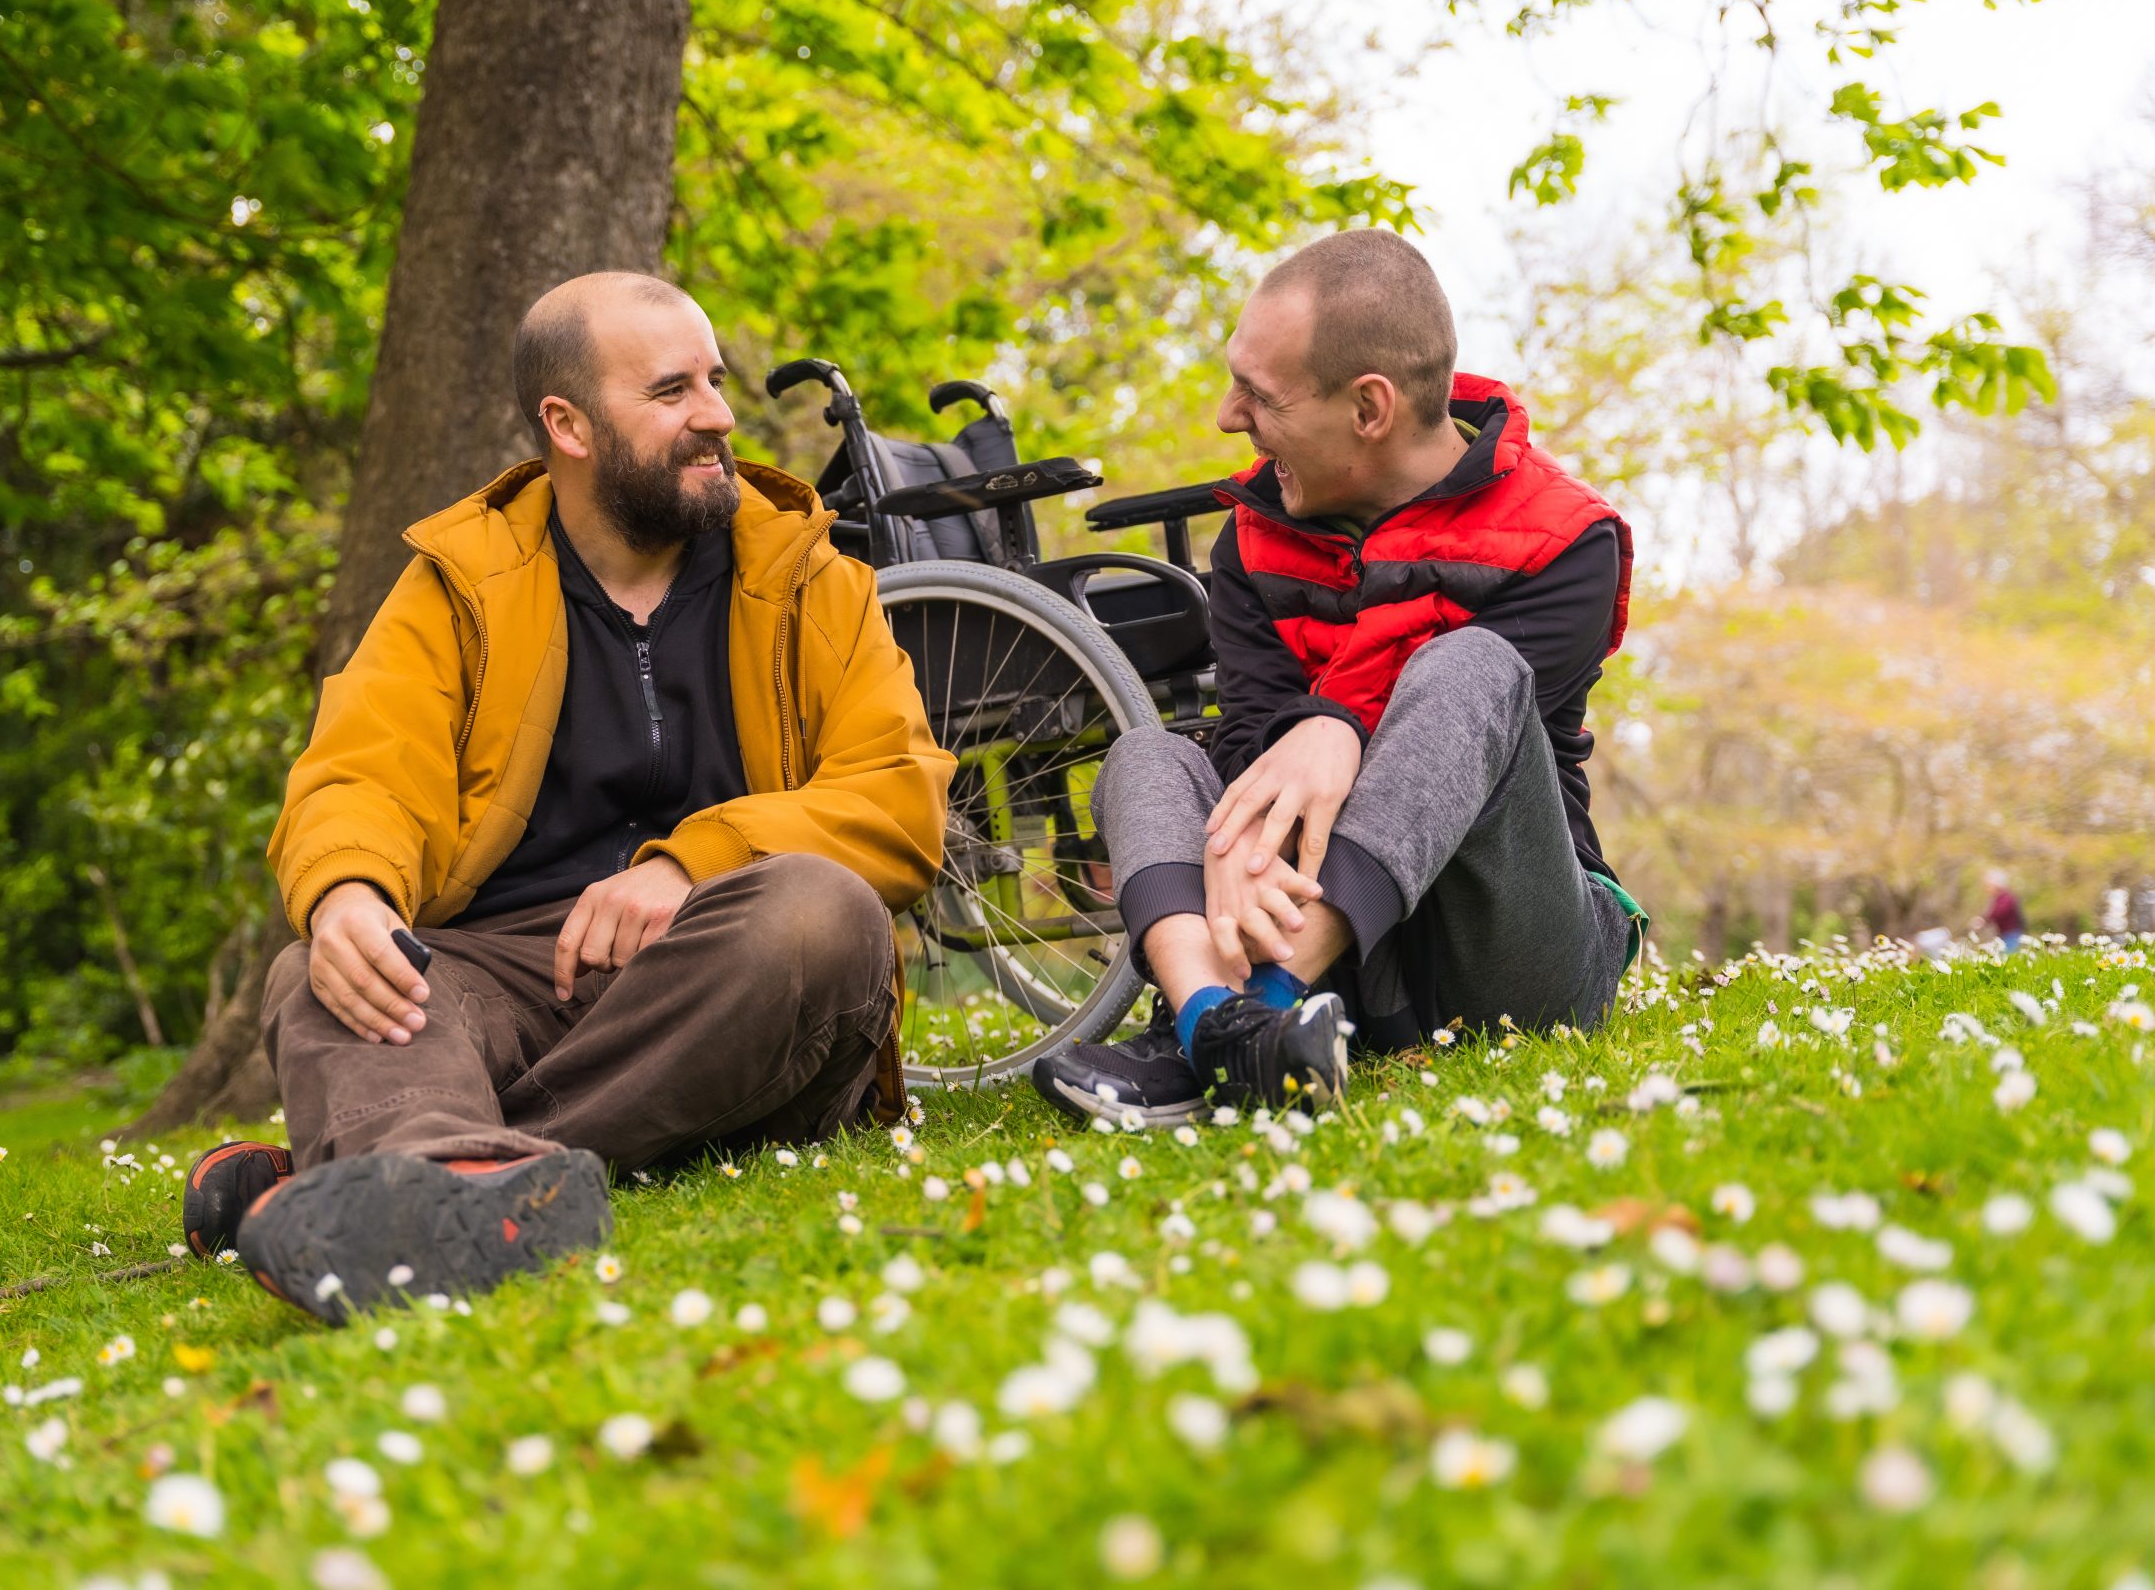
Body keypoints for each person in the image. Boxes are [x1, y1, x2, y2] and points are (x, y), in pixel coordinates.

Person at [182, 272, 950, 1322]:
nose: (718, 416)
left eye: (714, 382)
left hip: (720, 972)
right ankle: (445, 1181)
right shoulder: (461, 579)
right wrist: (350, 895)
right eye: (673, 390)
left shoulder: (813, 577)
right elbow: (361, 767)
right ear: (568, 424)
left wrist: (694, 862)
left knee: (821, 914)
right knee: (327, 965)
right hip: (504, 975)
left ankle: (414, 1163)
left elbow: (899, 801)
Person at [1031, 230, 1642, 1127]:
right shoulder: (1250, 536)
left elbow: (1451, 732)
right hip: (1350, 971)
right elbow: (1249, 749)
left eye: (1259, 395)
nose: (1227, 417)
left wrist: (1333, 727)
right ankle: (1217, 1020)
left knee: (1468, 665)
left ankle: (1248, 1018)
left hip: (1511, 960)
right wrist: (1303, 735)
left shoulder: (1568, 541)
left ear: (1369, 408)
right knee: (1149, 756)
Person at [1983, 871, 2026, 953]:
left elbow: (1999, 912)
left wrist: (1983, 919)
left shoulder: (2006, 897)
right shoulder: (1999, 898)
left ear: (1996, 885)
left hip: (2011, 934)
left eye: (1989, 885)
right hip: (2004, 933)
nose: (1987, 888)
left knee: (2009, 957)